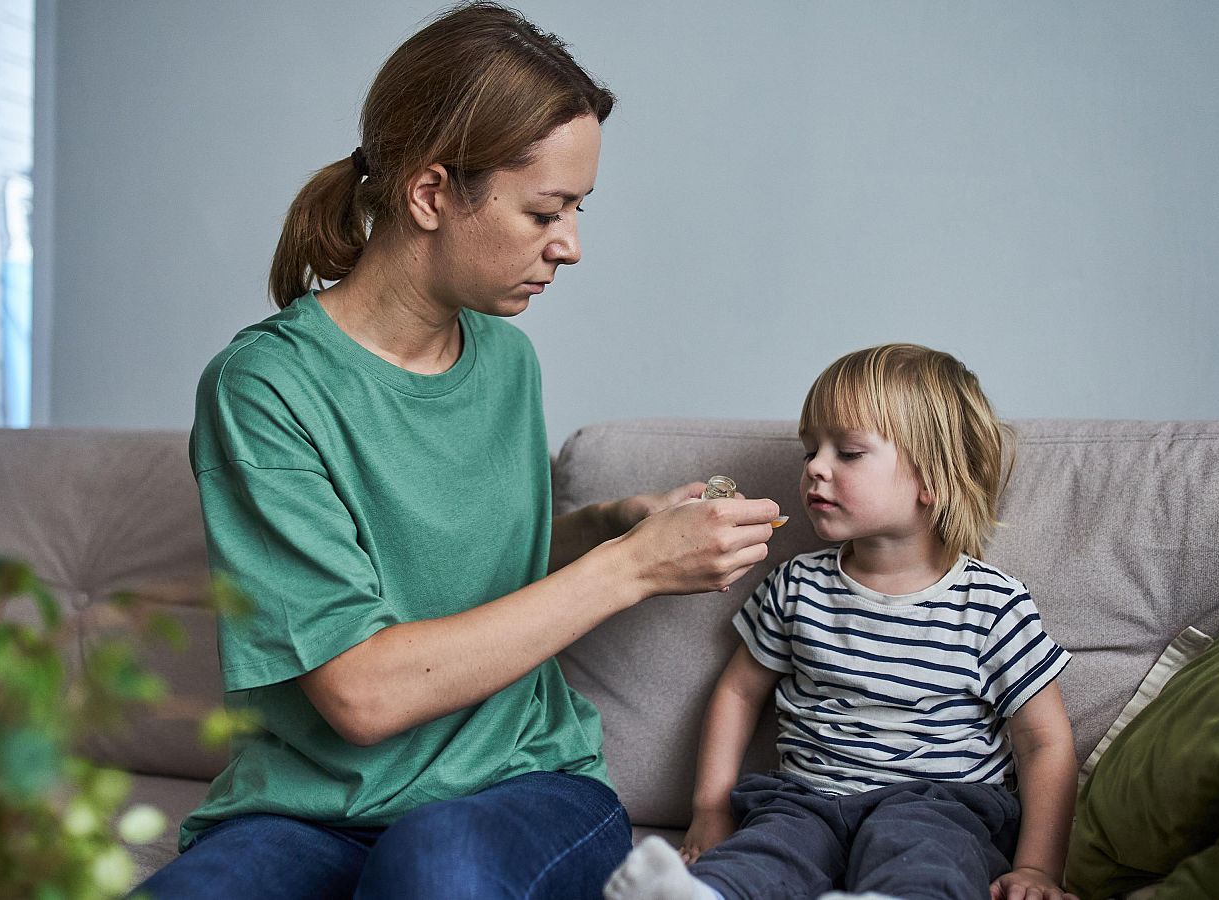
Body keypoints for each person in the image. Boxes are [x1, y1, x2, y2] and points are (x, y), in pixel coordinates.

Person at [130, 5, 781, 899]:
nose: (572, 247)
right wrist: (631, 568)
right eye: (546, 211)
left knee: (434, 869)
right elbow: (362, 694)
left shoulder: (506, 357)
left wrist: (608, 526)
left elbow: (458, 562)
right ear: (431, 194)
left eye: (579, 209)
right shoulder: (264, 388)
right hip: (305, 808)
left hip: (524, 785)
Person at [604, 344, 1079, 900]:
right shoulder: (796, 585)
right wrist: (709, 810)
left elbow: (1045, 743)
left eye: (848, 452)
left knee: (927, 856)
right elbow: (737, 693)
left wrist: (1040, 868)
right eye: (811, 450)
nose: (814, 468)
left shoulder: (992, 605)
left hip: (939, 806)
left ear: (935, 480)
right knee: (767, 853)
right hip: (806, 800)